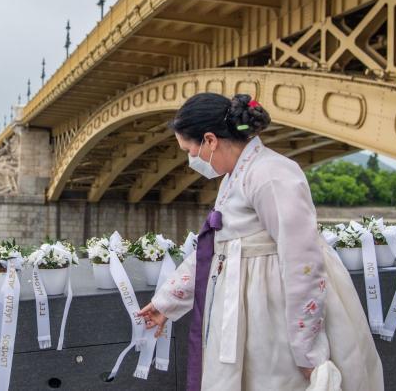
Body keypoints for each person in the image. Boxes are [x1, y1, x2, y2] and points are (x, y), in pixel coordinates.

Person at [137, 93, 383, 391]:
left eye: (190, 149)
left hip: (272, 315)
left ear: (210, 140)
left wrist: (307, 350)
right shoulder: (236, 176)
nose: (191, 160)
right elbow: (218, 248)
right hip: (248, 312)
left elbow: (302, 262)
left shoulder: (271, 175)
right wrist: (167, 302)